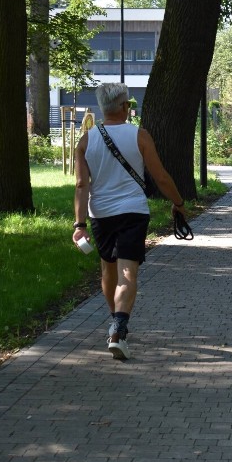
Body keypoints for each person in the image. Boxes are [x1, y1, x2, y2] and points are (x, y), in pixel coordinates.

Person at [72, 83, 187, 360]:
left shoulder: (86, 140)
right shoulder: (140, 136)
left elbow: (80, 184)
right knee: (128, 274)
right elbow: (160, 176)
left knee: (108, 272)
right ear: (124, 107)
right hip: (133, 212)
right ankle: (118, 332)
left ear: (103, 108)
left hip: (100, 214)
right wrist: (179, 203)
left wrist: (79, 225)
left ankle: (115, 324)